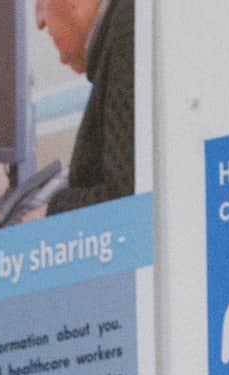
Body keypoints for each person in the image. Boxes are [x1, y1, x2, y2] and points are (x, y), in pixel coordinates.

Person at [42, 0, 138, 216]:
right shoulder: (123, 28)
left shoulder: (127, 34)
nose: (39, 20)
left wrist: (51, 212)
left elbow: (124, 200)